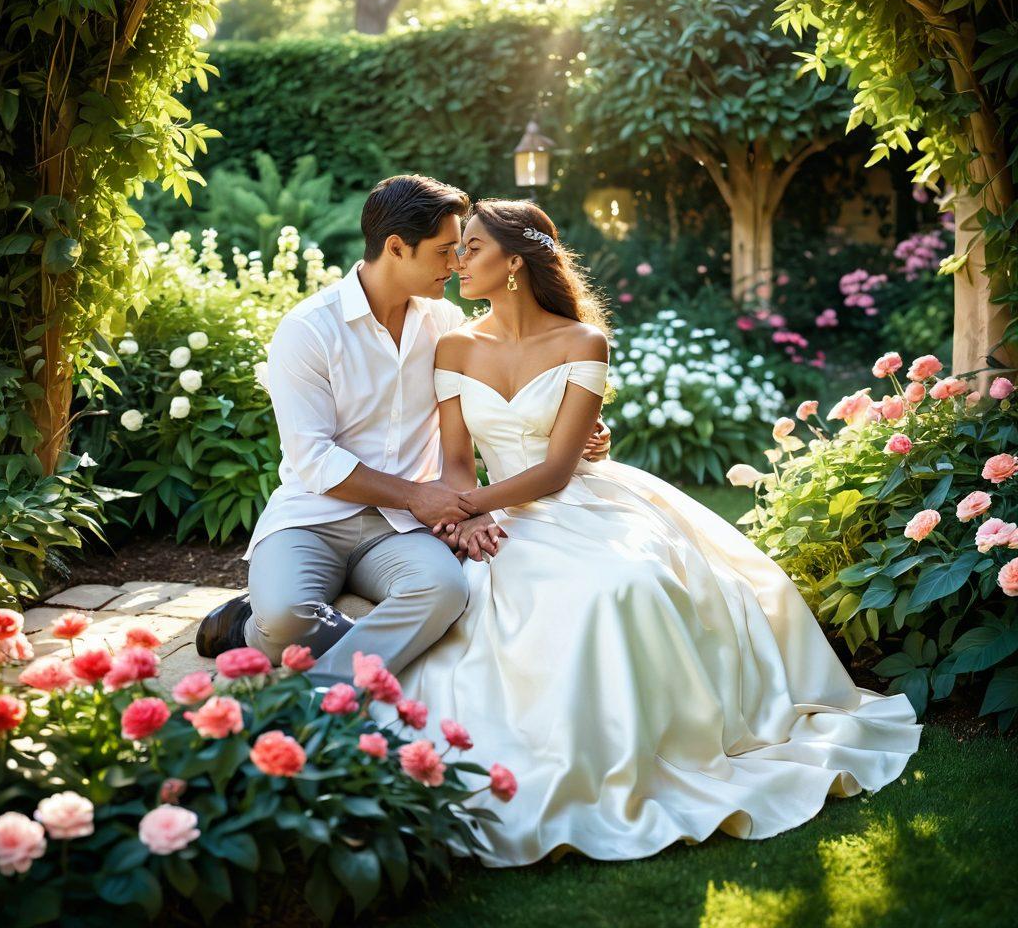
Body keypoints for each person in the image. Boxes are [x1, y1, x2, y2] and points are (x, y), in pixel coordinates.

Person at [372, 197, 924, 869]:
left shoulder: (583, 343)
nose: (459, 260)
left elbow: (555, 470)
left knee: (624, 583)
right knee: (488, 597)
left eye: (474, 248)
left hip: (575, 502)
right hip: (492, 513)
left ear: (514, 262)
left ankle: (646, 748)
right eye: (456, 250)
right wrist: (472, 514)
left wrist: (468, 505)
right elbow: (455, 455)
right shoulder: (454, 344)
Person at [195, 175, 610, 684]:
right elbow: (314, 459)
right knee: (284, 617)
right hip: (313, 516)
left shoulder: (445, 323)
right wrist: (420, 496)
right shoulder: (308, 330)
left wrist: (575, 424)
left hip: (401, 529)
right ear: (396, 247)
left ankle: (329, 692)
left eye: (462, 250)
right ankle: (249, 626)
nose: (456, 264)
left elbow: (516, 375)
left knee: (445, 592)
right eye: (444, 251)